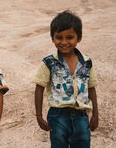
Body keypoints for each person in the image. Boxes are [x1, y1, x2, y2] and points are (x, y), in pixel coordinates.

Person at [33, 10, 99, 148]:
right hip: (57, 116)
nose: (64, 42)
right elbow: (39, 88)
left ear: (79, 38)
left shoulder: (87, 62)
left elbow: (91, 88)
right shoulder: (49, 62)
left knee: (83, 144)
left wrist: (95, 114)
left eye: (69, 37)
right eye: (59, 37)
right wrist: (39, 116)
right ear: (52, 38)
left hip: (81, 116)